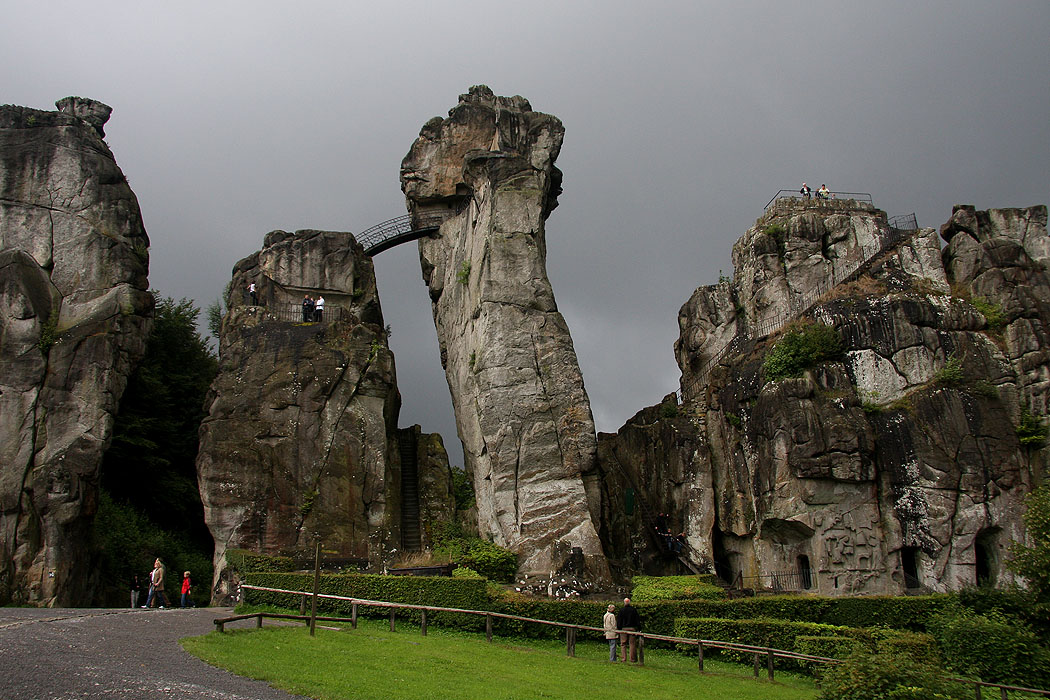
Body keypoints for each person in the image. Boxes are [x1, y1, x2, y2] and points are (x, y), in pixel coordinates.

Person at [617, 597, 641, 662]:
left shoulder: (621, 610)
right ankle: (632, 659)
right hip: (632, 628)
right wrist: (639, 628)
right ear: (629, 602)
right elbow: (637, 620)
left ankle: (623, 658)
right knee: (632, 644)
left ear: (624, 603)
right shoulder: (633, 610)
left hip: (623, 628)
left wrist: (619, 628)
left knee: (623, 644)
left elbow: (619, 620)